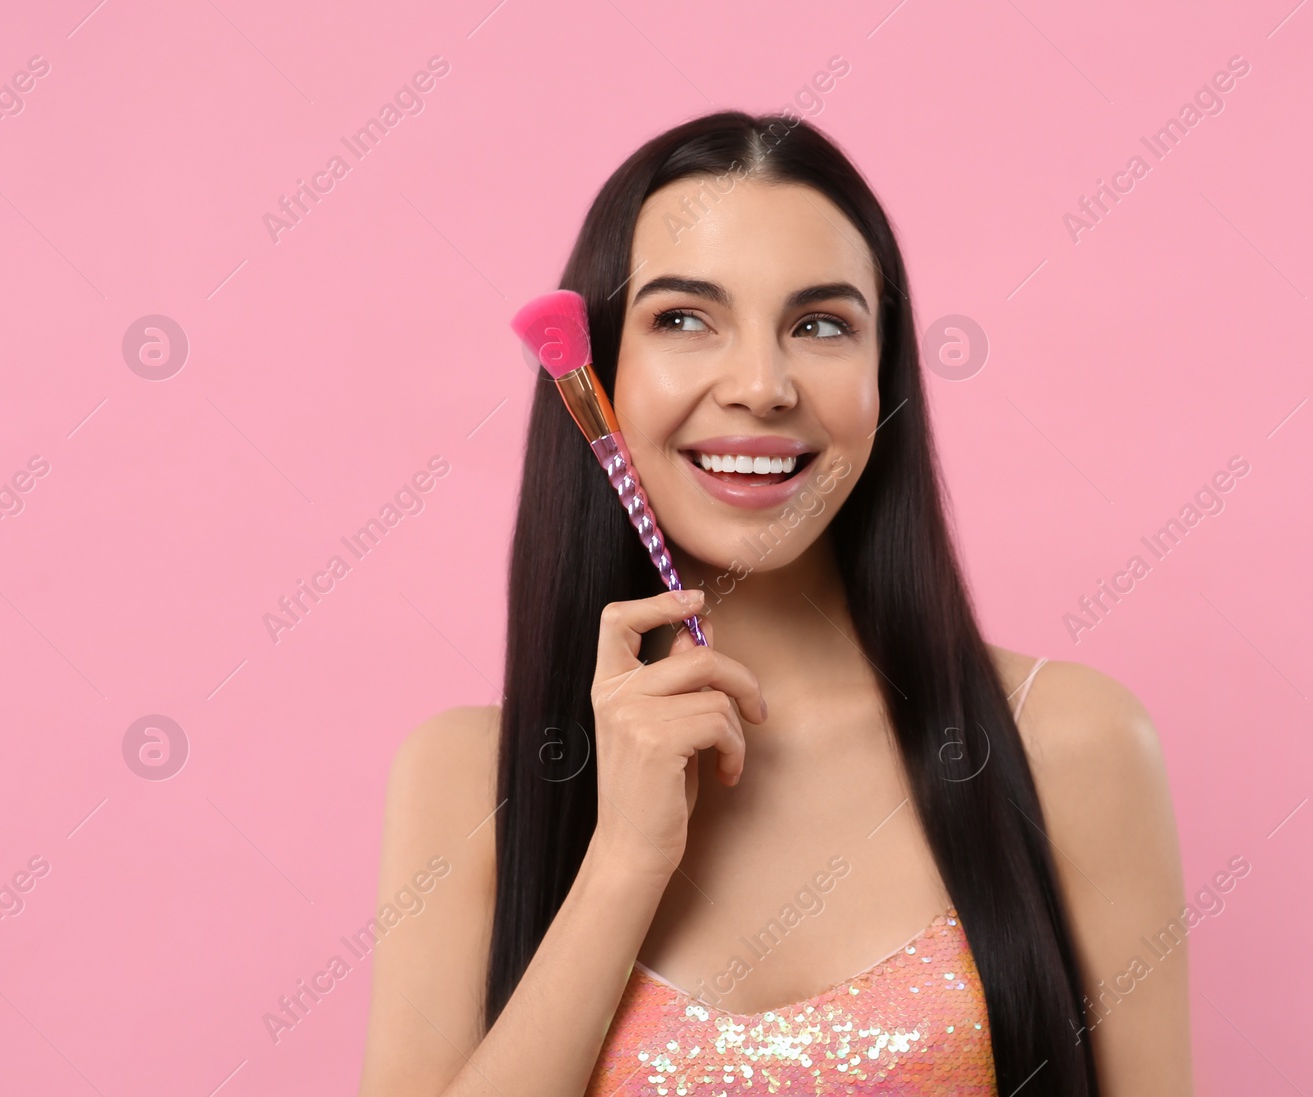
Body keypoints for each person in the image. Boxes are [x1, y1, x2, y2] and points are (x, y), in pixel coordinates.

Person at [357, 111, 1191, 1096]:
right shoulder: (466, 777)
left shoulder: (1069, 740)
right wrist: (624, 857)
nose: (761, 385)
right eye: (682, 318)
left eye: (821, 323)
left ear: (885, 377)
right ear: (597, 372)